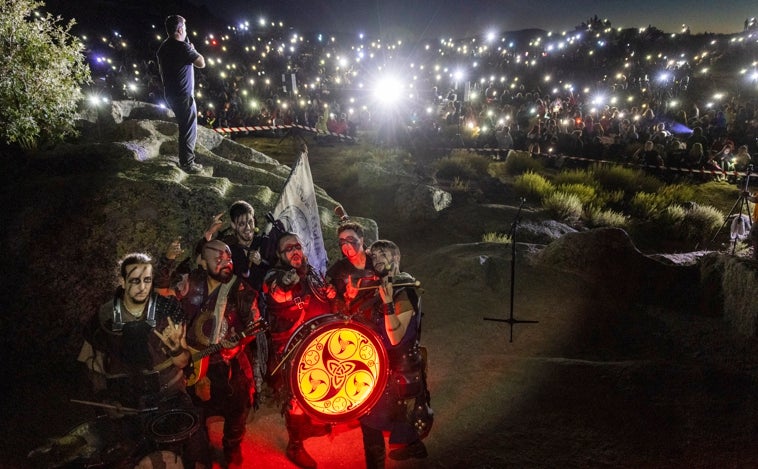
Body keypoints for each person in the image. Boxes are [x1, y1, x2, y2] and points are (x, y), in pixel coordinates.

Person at [78, 252, 210, 468]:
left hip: (169, 397)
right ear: (122, 281)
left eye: (147, 280)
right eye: (134, 280)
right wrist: (105, 401)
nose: (142, 286)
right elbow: (93, 365)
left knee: (192, 452)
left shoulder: (169, 310)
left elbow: (183, 362)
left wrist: (177, 350)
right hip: (126, 402)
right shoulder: (103, 318)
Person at [161, 239, 262, 465]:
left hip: (227, 362)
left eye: (228, 258)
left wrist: (237, 344)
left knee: (238, 407)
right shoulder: (189, 283)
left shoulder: (243, 290)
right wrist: (167, 261)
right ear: (203, 264)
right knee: (194, 413)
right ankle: (201, 449)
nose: (226, 262)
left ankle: (232, 448)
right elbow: (160, 289)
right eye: (218, 259)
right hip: (190, 361)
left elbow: (254, 326)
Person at [263, 232, 335, 468]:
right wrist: (286, 283)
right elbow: (277, 292)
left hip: (318, 340)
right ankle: (295, 445)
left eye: (297, 246)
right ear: (280, 255)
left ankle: (311, 425)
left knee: (322, 383)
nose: (295, 251)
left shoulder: (311, 272)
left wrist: (332, 295)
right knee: (294, 399)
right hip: (291, 349)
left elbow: (323, 298)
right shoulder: (276, 274)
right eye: (288, 248)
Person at [358, 240, 433, 469]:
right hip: (380, 368)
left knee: (384, 421)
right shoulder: (381, 286)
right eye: (376, 256)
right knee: (371, 421)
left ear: (396, 259)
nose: (378, 259)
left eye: (384, 255)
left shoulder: (404, 290)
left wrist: (388, 303)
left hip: (398, 371)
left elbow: (395, 337)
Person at [157, 15, 206, 174]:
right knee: (188, 128)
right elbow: (201, 63)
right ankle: (187, 163)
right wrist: (193, 49)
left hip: (170, 94)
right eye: (184, 28)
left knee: (184, 126)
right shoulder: (183, 48)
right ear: (179, 30)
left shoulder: (163, 48)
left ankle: (185, 160)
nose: (186, 31)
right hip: (183, 95)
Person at [325, 221, 375, 316]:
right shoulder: (339, 268)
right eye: (342, 242)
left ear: (361, 240)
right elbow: (331, 291)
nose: (345, 245)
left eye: (350, 239)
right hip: (351, 320)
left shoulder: (376, 262)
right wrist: (331, 292)